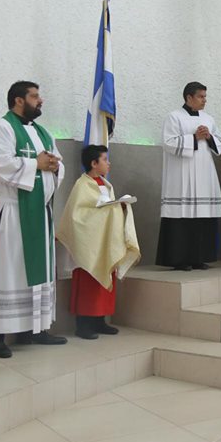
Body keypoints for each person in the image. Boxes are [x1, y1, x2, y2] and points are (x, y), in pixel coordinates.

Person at [0, 81, 67, 358]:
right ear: (19, 100)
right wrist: (36, 165)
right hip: (12, 210)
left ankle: (34, 329)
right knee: (7, 269)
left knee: (36, 272)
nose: (40, 100)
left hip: (38, 212)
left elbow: (57, 163)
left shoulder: (42, 132)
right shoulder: (0, 129)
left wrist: (54, 165)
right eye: (35, 96)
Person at [56, 145, 141, 339]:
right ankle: (83, 325)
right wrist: (110, 210)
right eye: (105, 159)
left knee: (105, 279)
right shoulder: (82, 185)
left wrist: (120, 207)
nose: (108, 163)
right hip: (89, 244)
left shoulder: (105, 184)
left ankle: (99, 320)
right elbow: (78, 216)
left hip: (104, 242)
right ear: (94, 163)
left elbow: (104, 210)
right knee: (89, 282)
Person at [156, 82, 221, 271]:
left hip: (204, 174)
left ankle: (199, 258)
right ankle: (179, 260)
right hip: (182, 176)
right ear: (189, 97)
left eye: (205, 96)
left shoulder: (208, 119)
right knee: (182, 217)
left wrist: (209, 137)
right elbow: (168, 143)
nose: (205, 100)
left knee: (202, 218)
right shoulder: (174, 117)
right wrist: (194, 137)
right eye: (201, 96)